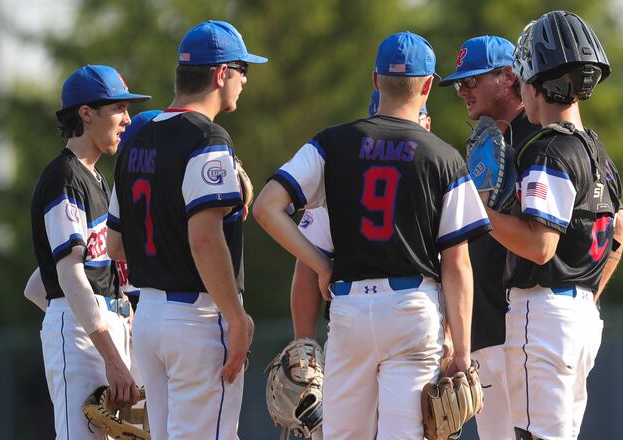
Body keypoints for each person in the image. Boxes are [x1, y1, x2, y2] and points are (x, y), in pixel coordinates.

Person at [254, 31, 490, 439]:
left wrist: (320, 264)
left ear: (376, 80)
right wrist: (463, 352)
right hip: (412, 311)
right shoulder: (444, 157)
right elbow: (457, 264)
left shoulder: (332, 143)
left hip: (350, 310)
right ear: (429, 85)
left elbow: (265, 208)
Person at [106, 20, 265, 439]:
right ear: (220, 74)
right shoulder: (207, 137)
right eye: (242, 70)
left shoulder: (135, 137)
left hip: (149, 318)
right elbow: (204, 238)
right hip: (196, 318)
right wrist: (236, 318)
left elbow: (117, 245)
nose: (244, 80)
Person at [484, 11, 623, 439]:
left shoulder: (548, 148)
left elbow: (541, 246)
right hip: (580, 316)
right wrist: (587, 297)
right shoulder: (599, 153)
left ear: (534, 84)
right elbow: (619, 229)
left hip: (542, 316)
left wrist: (476, 213)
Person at [30, 64, 150, 439]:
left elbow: (36, 284)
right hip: (86, 333)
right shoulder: (63, 178)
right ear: (86, 113)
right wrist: (94, 343)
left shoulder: (94, 178)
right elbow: (68, 275)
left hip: (97, 327)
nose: (127, 119)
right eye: (118, 108)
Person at [437, 35, 542, 440]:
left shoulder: (539, 138)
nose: (462, 91)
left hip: (524, 328)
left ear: (508, 76)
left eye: (471, 80)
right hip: (481, 332)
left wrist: (586, 303)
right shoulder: (482, 145)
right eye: (458, 83)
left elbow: (613, 223)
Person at [291, 92, 433, 340]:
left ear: (427, 123)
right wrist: (304, 343)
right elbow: (307, 268)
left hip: (358, 315)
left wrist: (303, 342)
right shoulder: (441, 169)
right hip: (413, 314)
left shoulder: (341, 176)